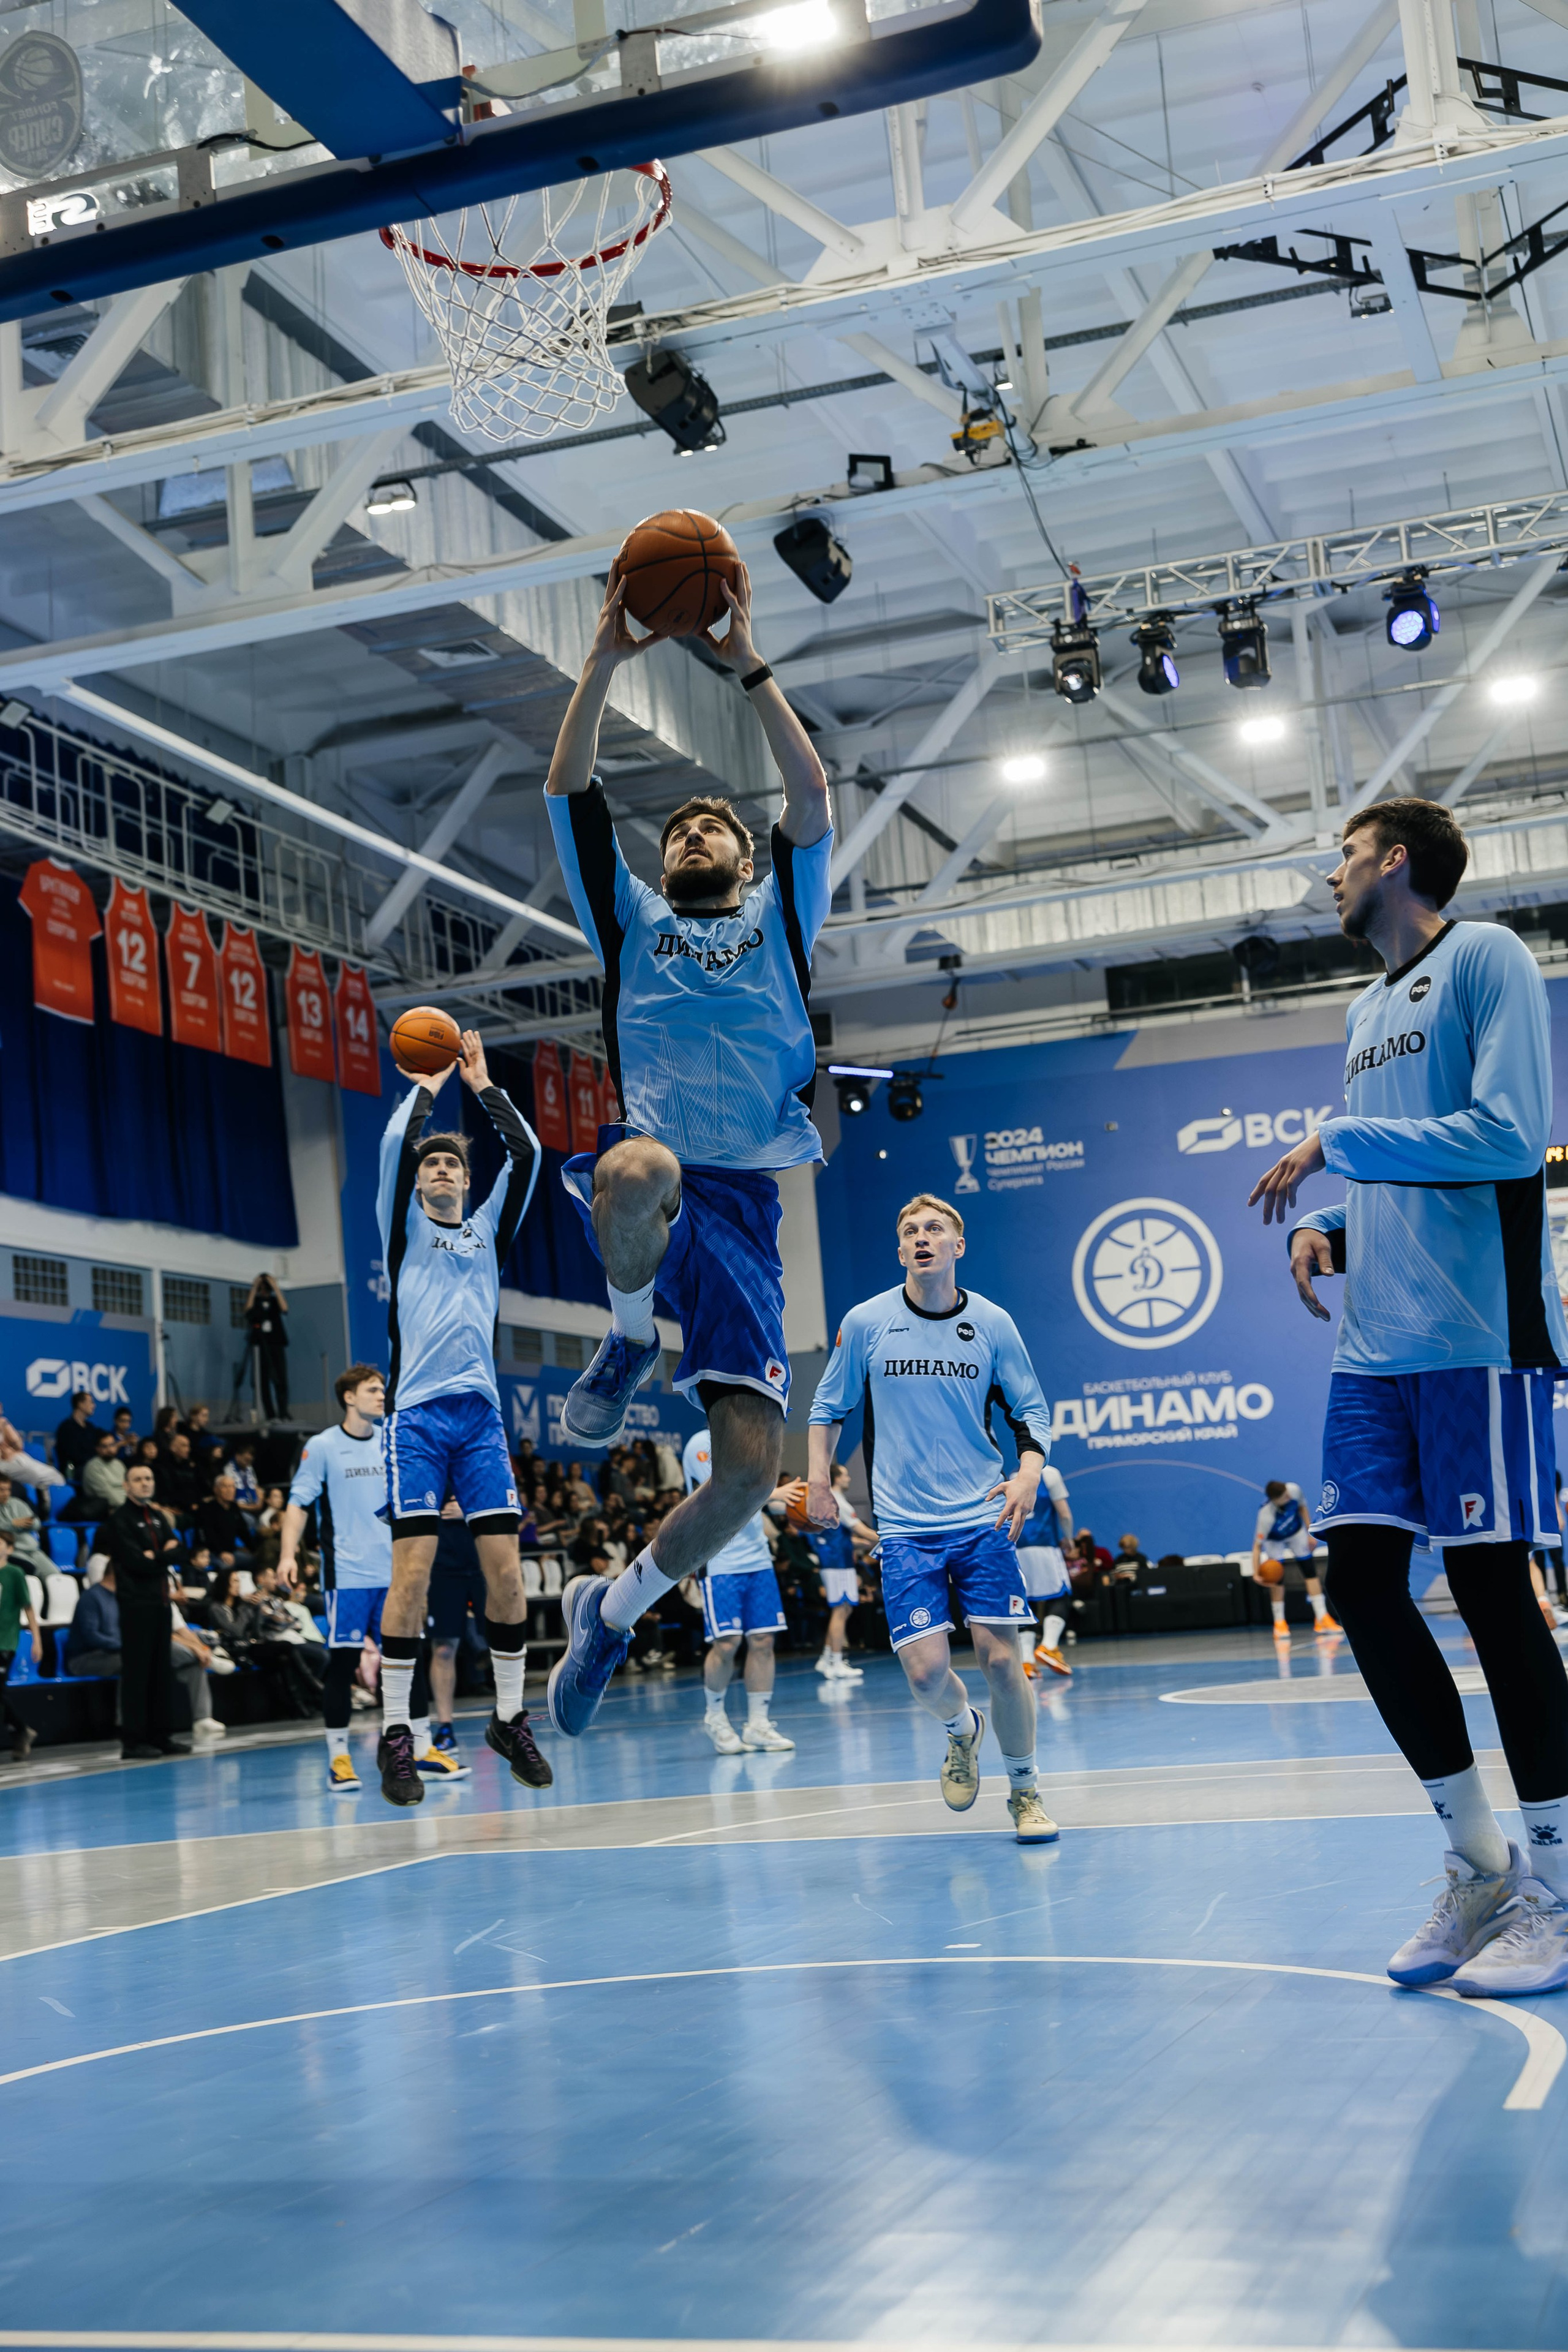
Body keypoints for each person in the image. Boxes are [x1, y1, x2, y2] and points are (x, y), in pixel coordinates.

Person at [1251, 797, 1568, 1998]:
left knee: (1490, 1594)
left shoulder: (1485, 958)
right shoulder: (1365, 1009)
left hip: (1474, 1336)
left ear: (1393, 863)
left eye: (1342, 856)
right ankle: (1479, 1868)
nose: (1329, 877)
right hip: (1373, 1350)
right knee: (1362, 1589)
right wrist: (1335, 1227)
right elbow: (1405, 1158)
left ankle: (1558, 1884)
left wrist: (1338, 1144)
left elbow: (1504, 1139)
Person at [543, 557, 832, 1740]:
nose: (695, 833)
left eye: (715, 824)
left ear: (748, 860)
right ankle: (625, 1341)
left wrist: (748, 665)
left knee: (751, 1473)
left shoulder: (783, 915)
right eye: (679, 830)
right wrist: (603, 662)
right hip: (658, 1167)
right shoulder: (631, 921)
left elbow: (811, 793)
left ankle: (609, 1616)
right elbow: (569, 787)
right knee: (635, 1167)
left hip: (748, 1205)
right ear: (660, 866)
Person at [806, 1194, 1058, 1844]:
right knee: (924, 1675)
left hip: (981, 1517)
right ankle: (961, 1729)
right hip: (904, 1526)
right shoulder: (867, 1322)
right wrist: (818, 1482)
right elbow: (828, 1406)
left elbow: (1030, 1411)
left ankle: (1025, 1792)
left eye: (935, 1229)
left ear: (957, 1246)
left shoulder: (993, 1323)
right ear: (900, 1251)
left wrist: (1029, 1472)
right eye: (911, 1231)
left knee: (1002, 1664)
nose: (922, 1237)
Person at [375, 1026, 548, 1807]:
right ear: (417, 1185)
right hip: (415, 1419)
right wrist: (430, 1079)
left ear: (468, 1182)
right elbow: (394, 1145)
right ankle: (396, 1733)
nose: (442, 1168)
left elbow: (529, 1154)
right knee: (411, 1577)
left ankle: (509, 1718)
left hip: (479, 1421)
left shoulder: (487, 1231)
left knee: (507, 1575)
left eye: (452, 1164)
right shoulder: (403, 1225)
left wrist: (481, 1085)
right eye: (432, 1165)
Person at [684, 1425, 796, 1753]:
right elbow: (723, 1495)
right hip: (718, 1558)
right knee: (727, 1643)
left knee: (763, 1640)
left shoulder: (751, 1442)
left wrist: (799, 1503)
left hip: (757, 1558)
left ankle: (758, 1724)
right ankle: (715, 1716)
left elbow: (760, 1497)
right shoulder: (700, 1443)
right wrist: (775, 1493)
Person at [70, 1564, 225, 1745]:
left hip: (121, 1652)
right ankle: (128, 1726)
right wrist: (129, 1646)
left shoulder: (125, 1597)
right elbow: (92, 1636)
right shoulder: (91, 1597)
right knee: (137, 1659)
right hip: (88, 1658)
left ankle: (202, 1719)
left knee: (192, 1664)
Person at [96, 1463, 190, 1758]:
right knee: (138, 1674)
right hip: (136, 1606)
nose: (145, 1483)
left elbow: (180, 1551)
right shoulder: (119, 1521)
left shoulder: (159, 1517)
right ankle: (133, 1742)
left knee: (162, 1672)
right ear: (126, 1486)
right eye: (138, 1479)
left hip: (161, 1603)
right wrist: (163, 1555)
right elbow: (136, 1562)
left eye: (148, 1478)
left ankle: (161, 1736)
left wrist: (156, 1555)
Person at [427, 1498, 491, 1764]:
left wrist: (471, 1510)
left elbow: (511, 1508)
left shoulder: (481, 1472)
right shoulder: (429, 1475)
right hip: (441, 1568)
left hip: (486, 1564)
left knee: (503, 1642)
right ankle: (445, 1729)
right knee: (443, 1649)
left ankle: (510, 1721)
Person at [1251, 1478, 1340, 1643]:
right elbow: (1257, 1547)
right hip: (1275, 1540)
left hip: (1296, 1532)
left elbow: (1302, 1507)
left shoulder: (1293, 1490)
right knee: (1277, 1578)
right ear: (1274, 1500)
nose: (1288, 1497)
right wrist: (1256, 1572)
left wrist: (1310, 1531)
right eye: (1284, 1497)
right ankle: (1279, 1623)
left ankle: (1322, 1618)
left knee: (1310, 1571)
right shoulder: (1266, 1516)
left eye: (1287, 1494)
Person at [812, 1462, 872, 1683]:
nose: (849, 1478)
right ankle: (836, 1662)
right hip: (836, 1563)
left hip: (840, 1560)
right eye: (845, 1475)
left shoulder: (835, 1500)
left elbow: (845, 1537)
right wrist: (888, 1538)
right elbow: (861, 1529)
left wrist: (865, 1543)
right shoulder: (837, 1500)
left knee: (844, 1610)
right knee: (840, 1610)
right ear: (836, 1478)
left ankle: (827, 1658)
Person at [1018, 1461, 1074, 1678]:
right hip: (1045, 1546)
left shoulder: (1014, 1475)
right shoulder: (1049, 1474)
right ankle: (1049, 1646)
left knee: (1026, 1603)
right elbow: (1064, 1514)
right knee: (1061, 1595)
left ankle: (1026, 1662)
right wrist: (1069, 1538)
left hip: (1018, 1549)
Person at [0, 1529, 40, 1761]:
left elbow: (28, 1608)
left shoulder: (14, 1573)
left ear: (10, 1549)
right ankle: (21, 1731)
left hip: (5, 1642)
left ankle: (21, 1731)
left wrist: (37, 1640)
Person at [245, 1275, 290, 1420]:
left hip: (276, 1343)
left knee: (281, 1379)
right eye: (262, 1289)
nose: (264, 1291)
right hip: (260, 1346)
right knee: (263, 1381)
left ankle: (283, 1412)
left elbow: (285, 1308)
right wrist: (255, 1287)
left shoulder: (274, 1302)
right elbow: (248, 1310)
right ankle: (270, 1414)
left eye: (266, 1289)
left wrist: (275, 1286)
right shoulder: (256, 1302)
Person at [195, 1475, 252, 1569]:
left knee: (255, 1561)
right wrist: (221, 1553)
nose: (230, 1490)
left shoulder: (234, 1507)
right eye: (225, 1486)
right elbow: (208, 1534)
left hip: (232, 1552)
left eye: (232, 1487)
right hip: (211, 1553)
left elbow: (243, 1531)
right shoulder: (206, 1508)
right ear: (216, 1489)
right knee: (226, 1568)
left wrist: (254, 1550)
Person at [53, 1390, 99, 1485]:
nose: (94, 1406)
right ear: (80, 1404)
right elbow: (72, 1455)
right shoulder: (66, 1428)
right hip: (74, 1469)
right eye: (91, 1402)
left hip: (92, 1467)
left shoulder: (90, 1428)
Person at [0, 1474, 45, 1567]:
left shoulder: (18, 1503)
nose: (6, 1494)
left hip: (32, 1549)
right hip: (11, 1552)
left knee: (55, 1573)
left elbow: (37, 1523)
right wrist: (13, 1524)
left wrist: (29, 1523)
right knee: (30, 1568)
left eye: (8, 1490)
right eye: (1, 1490)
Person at [81, 1431, 127, 1518]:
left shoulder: (119, 1464)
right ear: (98, 1449)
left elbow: (130, 1488)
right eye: (105, 1446)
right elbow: (108, 1495)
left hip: (125, 1507)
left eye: (112, 1445)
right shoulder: (93, 1467)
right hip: (108, 1510)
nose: (110, 1449)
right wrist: (132, 1506)